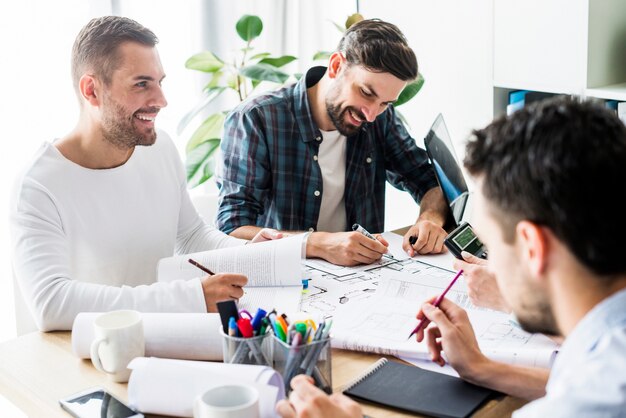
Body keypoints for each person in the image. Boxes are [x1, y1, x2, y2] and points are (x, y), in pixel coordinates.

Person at [276, 97, 626, 417]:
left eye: (492, 247)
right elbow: (574, 377)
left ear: (534, 248)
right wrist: (481, 368)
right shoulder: (604, 352)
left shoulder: (592, 402)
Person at [10, 16, 279, 332]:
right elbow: (51, 303)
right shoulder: (39, 185)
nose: (161, 101)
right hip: (88, 355)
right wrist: (189, 298)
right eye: (141, 84)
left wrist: (251, 253)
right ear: (91, 90)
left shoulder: (160, 147)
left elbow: (190, 235)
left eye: (159, 82)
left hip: (162, 339)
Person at [216, 19, 449, 266]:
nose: (370, 114)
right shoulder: (257, 119)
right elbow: (232, 228)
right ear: (337, 65)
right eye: (366, 93)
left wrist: (430, 220)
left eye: (384, 103)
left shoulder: (379, 120)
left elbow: (429, 180)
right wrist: (319, 244)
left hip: (364, 282)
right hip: (287, 281)